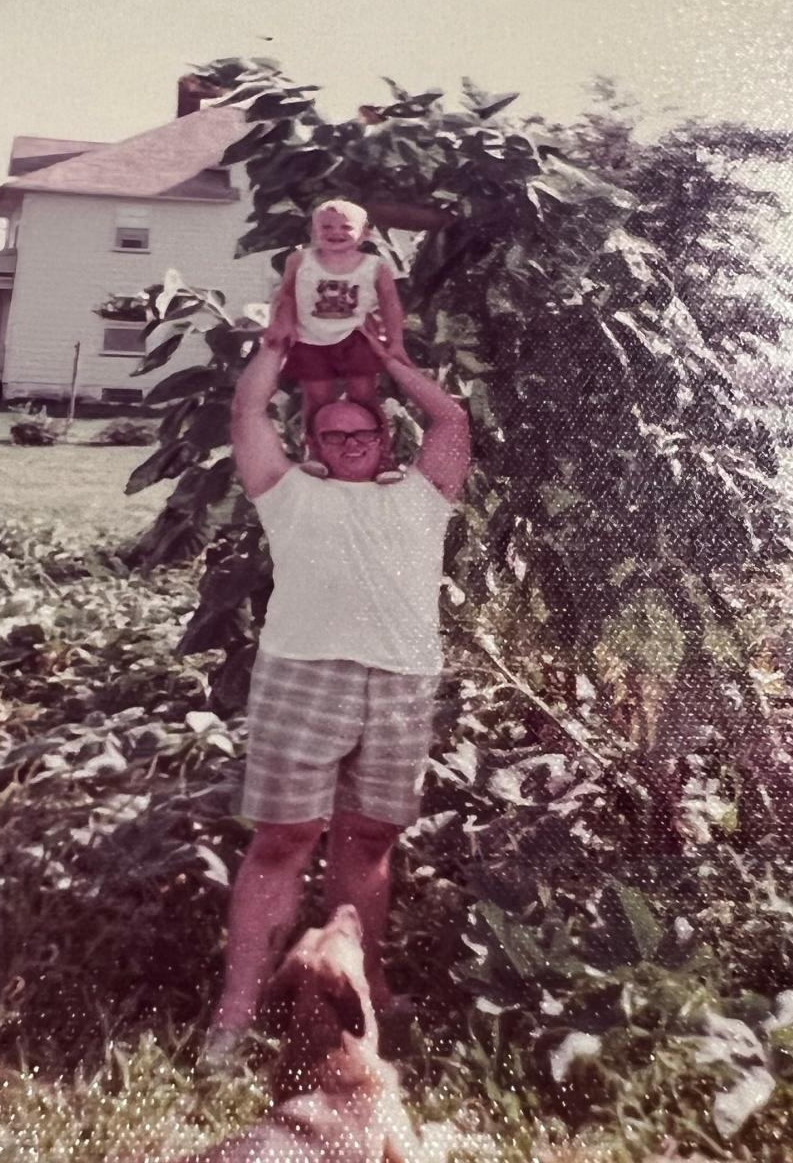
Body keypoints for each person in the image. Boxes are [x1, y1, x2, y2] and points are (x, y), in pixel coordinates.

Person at [205, 327, 470, 1057]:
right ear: (313, 444)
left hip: (401, 681)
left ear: (387, 437)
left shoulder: (425, 496)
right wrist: (274, 350)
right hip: (304, 674)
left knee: (371, 839)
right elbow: (247, 418)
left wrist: (391, 362)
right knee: (283, 839)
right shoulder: (288, 496)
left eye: (363, 432)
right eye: (333, 434)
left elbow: (452, 421)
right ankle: (235, 1016)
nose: (350, 442)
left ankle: (366, 995)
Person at [262, 199, 406, 476]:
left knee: (364, 398)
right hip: (310, 341)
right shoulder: (299, 259)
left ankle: (383, 459)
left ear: (364, 233)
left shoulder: (375, 265)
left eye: (345, 227)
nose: (335, 232)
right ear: (313, 230)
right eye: (326, 226)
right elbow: (285, 295)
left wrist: (396, 341)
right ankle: (317, 456)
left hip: (356, 338)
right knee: (316, 400)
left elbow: (390, 304)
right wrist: (279, 325)